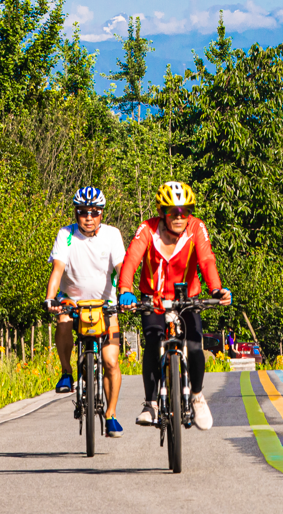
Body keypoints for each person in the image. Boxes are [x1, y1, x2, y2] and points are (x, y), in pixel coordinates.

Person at [117, 181, 231, 431]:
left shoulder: (196, 227)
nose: (180, 217)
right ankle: (150, 404)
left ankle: (198, 396)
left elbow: (207, 259)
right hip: (153, 300)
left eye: (185, 211)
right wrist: (126, 290)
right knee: (153, 342)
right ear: (162, 212)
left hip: (186, 299)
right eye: (173, 212)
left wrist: (216, 289)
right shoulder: (147, 229)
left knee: (194, 344)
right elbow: (131, 259)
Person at [44, 186, 127, 438]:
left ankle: (111, 414)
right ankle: (67, 373)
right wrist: (50, 297)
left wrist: (125, 292)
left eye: (94, 212)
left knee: (111, 362)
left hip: (105, 304)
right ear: (76, 213)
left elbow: (122, 265)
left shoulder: (112, 235)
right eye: (82, 212)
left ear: (101, 213)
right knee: (63, 321)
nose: (88, 217)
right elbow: (58, 268)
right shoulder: (66, 234)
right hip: (73, 302)